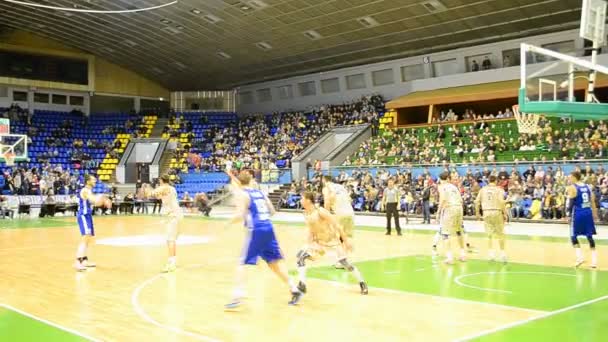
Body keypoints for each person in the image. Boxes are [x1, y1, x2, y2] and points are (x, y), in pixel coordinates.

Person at [225, 171, 302, 309]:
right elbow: (272, 211)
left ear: (239, 182)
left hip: (256, 230)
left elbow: (240, 214)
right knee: (274, 264)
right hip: (268, 227)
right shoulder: (260, 193)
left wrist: (229, 222)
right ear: (250, 180)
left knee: (242, 263)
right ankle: (294, 289)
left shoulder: (243, 194)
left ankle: (237, 296)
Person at [296, 191, 368, 297]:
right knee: (300, 257)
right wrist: (307, 245)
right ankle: (302, 284)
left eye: (302, 198)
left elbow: (337, 225)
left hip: (333, 243)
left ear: (308, 200)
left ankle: (362, 283)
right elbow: (311, 231)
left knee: (345, 263)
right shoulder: (306, 214)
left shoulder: (320, 211)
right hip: (319, 243)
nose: (300, 201)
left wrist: (346, 241)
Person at [74, 175, 108, 271]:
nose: (95, 181)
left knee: (88, 239)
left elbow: (95, 203)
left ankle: (84, 260)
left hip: (88, 216)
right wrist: (103, 198)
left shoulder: (89, 191)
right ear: (88, 181)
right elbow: (94, 200)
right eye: (93, 180)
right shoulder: (85, 190)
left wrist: (103, 201)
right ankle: (77, 262)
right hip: (83, 216)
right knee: (85, 237)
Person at [322, 175, 356, 268]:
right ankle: (344, 260)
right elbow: (349, 199)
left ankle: (342, 261)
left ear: (324, 180)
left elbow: (327, 201)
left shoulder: (326, 188)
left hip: (340, 214)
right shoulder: (341, 187)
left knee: (337, 238)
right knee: (346, 237)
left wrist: (326, 215)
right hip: (350, 213)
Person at [152, 174, 183, 273]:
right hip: (173, 216)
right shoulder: (171, 188)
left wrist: (146, 188)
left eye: (159, 180)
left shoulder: (165, 188)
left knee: (170, 240)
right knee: (169, 240)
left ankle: (172, 264)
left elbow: (151, 193)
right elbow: (159, 196)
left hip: (172, 216)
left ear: (161, 180)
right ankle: (172, 261)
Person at [567, 171, 599, 268]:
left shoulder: (572, 187)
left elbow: (571, 203)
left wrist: (568, 214)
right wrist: (595, 214)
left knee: (573, 236)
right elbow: (592, 201)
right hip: (587, 212)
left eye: (570, 177)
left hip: (578, 214)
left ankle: (580, 258)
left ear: (574, 177)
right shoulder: (588, 187)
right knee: (589, 236)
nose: (569, 179)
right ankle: (594, 261)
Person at [475, 175, 508, 263]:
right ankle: (502, 254)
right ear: (496, 181)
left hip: (486, 212)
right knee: (500, 234)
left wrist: (477, 213)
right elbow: (501, 202)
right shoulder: (499, 190)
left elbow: (476, 202)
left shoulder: (483, 190)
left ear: (488, 181)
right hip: (497, 211)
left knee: (489, 234)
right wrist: (505, 213)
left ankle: (491, 254)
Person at [435, 172, 466, 264]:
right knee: (459, 231)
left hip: (450, 208)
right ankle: (463, 254)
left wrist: (438, 212)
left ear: (440, 179)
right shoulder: (453, 187)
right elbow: (461, 200)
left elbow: (443, 199)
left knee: (445, 233)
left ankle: (449, 257)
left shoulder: (441, 187)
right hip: (459, 207)